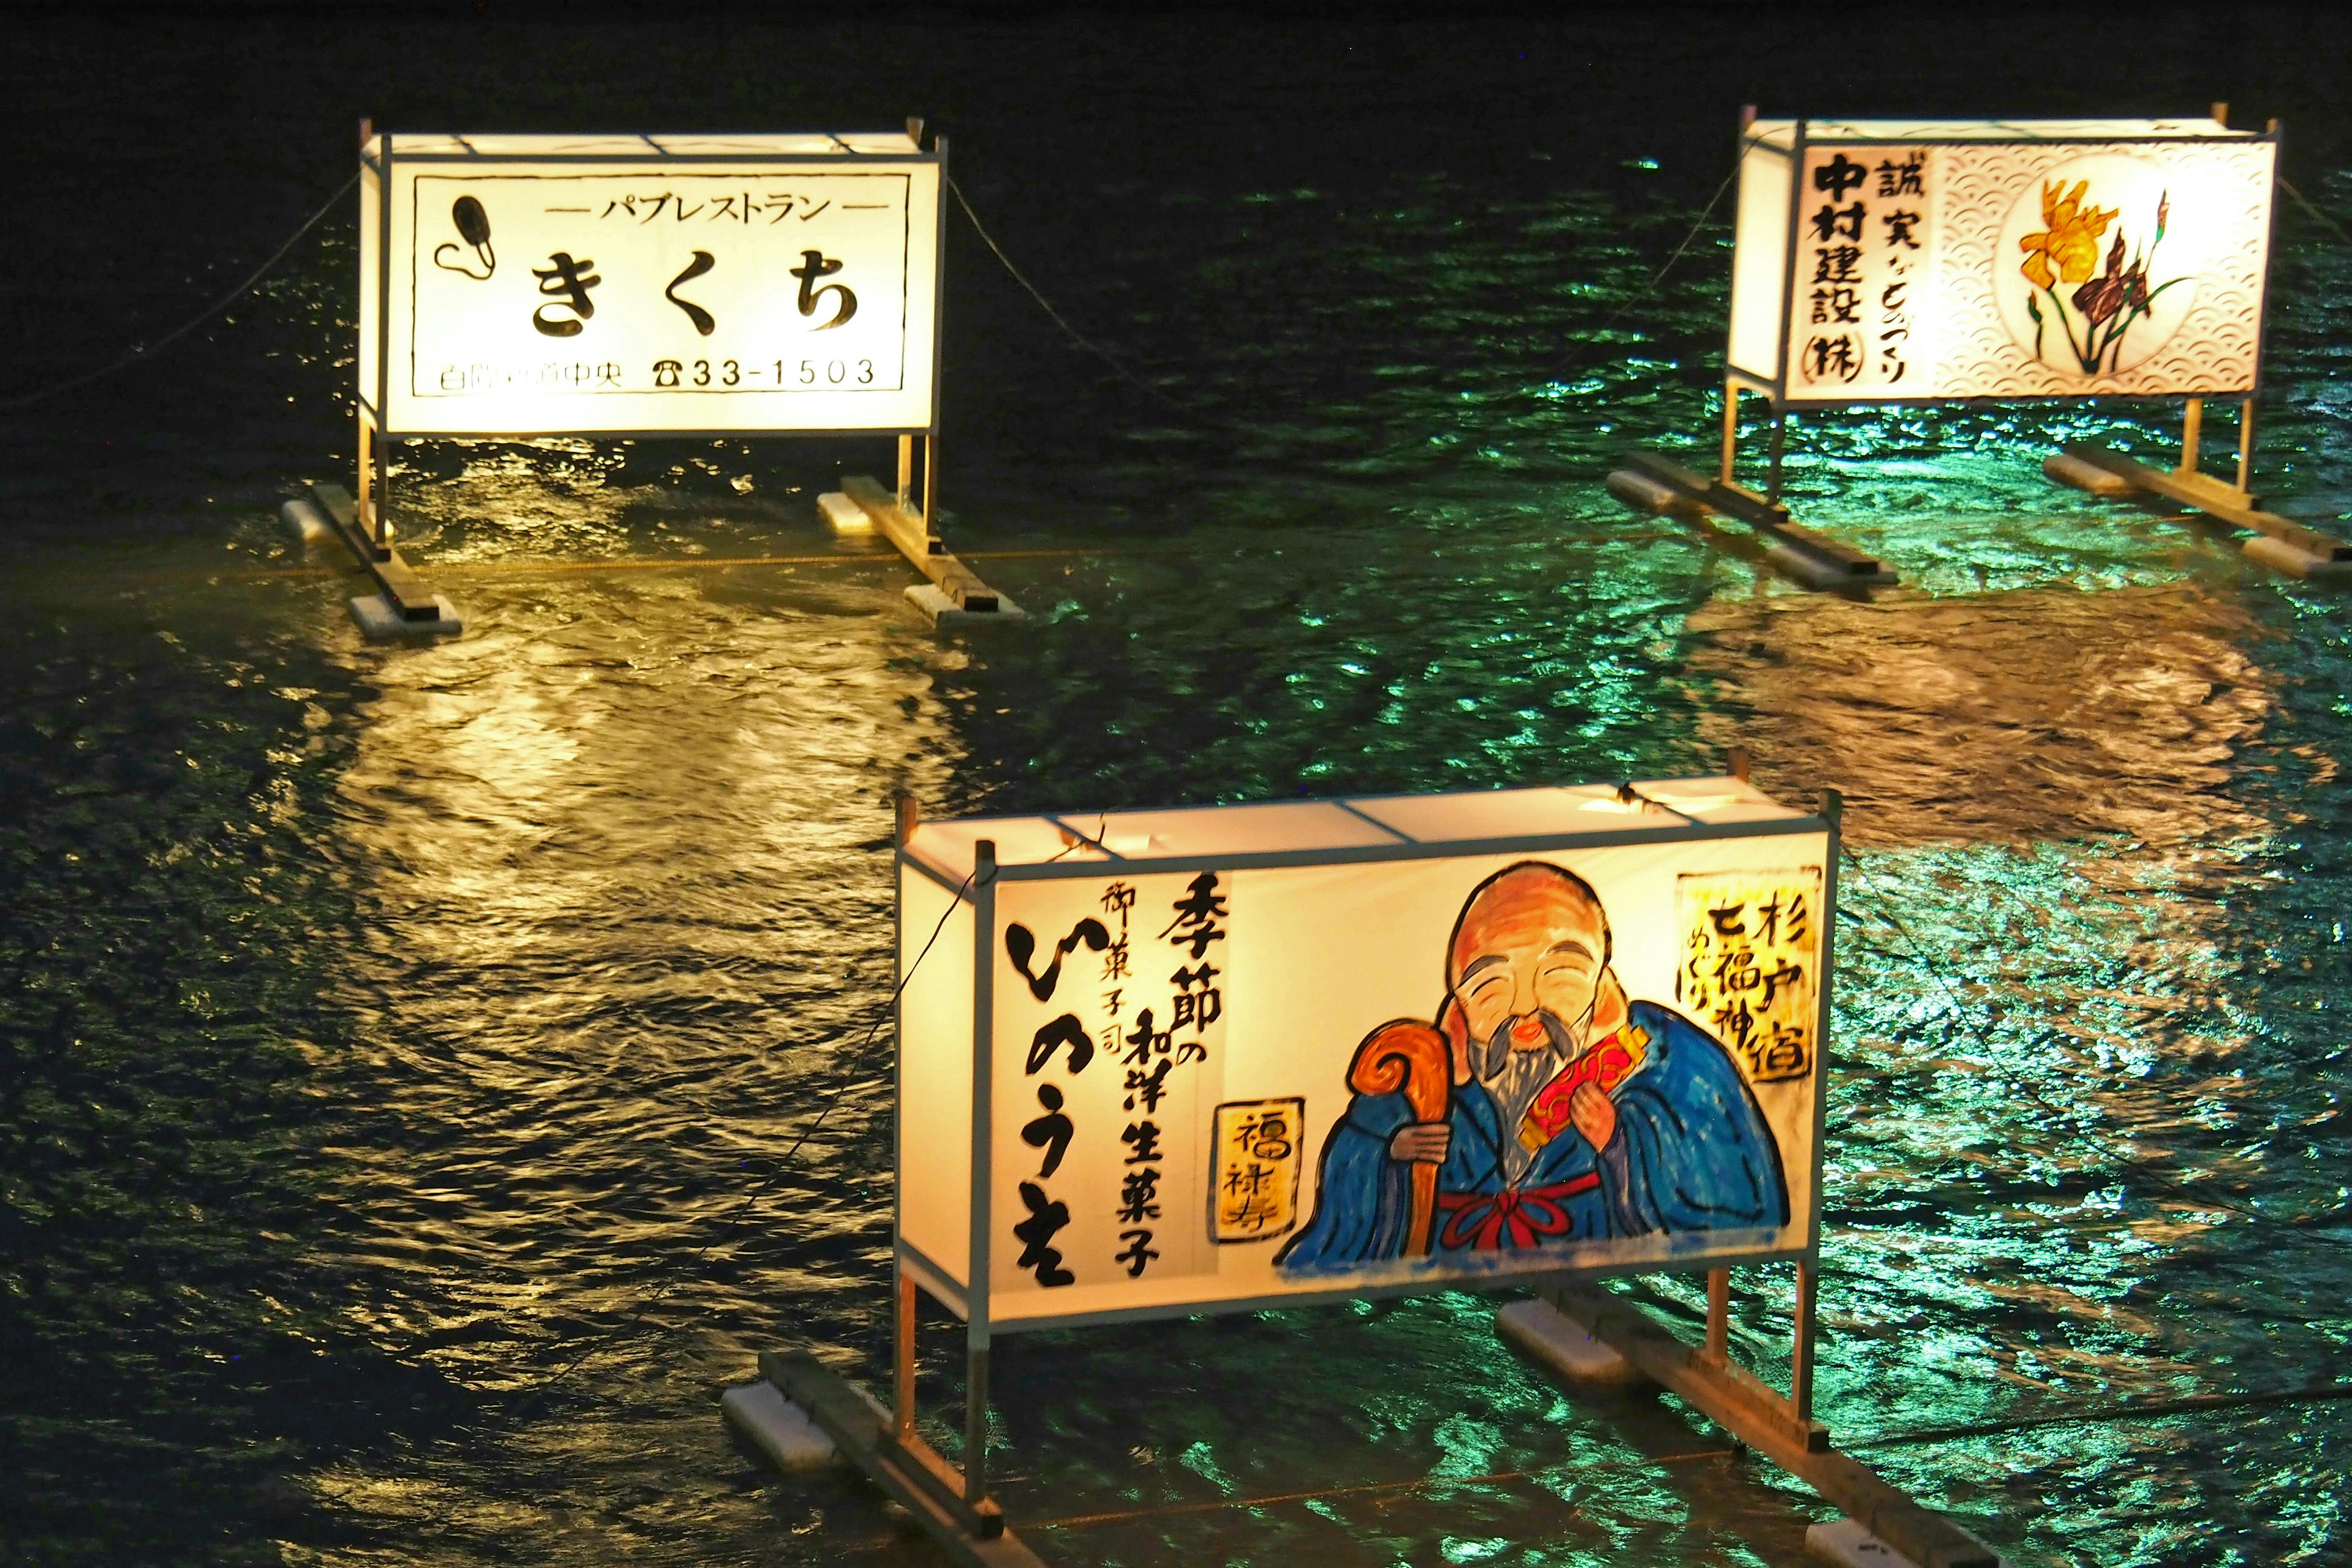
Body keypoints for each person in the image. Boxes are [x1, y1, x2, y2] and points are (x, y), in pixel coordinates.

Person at [1276, 861, 1787, 1270]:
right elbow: (1354, 1155)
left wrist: (1621, 1141)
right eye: (1490, 984)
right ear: (1458, 1005)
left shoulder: (1665, 1056)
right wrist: (1393, 1154)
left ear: (1602, 988)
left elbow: (1740, 1202)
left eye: (1560, 975)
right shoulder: (1420, 1075)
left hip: (1597, 1287)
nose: (1525, 1010)